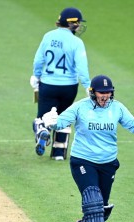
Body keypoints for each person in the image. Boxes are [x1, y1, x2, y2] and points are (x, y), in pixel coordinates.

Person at [41, 75, 134, 222]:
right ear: (93, 92)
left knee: (102, 208)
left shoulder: (117, 108)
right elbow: (62, 121)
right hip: (83, 160)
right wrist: (51, 121)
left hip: (108, 163)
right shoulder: (81, 106)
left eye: (108, 92)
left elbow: (133, 124)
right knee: (93, 200)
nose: (105, 96)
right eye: (101, 92)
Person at [30, 7, 91, 161]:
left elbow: (39, 60)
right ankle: (58, 154)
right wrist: (88, 85)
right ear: (73, 24)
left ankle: (42, 130)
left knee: (42, 117)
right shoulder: (77, 42)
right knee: (64, 117)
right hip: (69, 87)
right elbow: (82, 67)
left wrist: (36, 76)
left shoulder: (48, 36)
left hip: (48, 83)